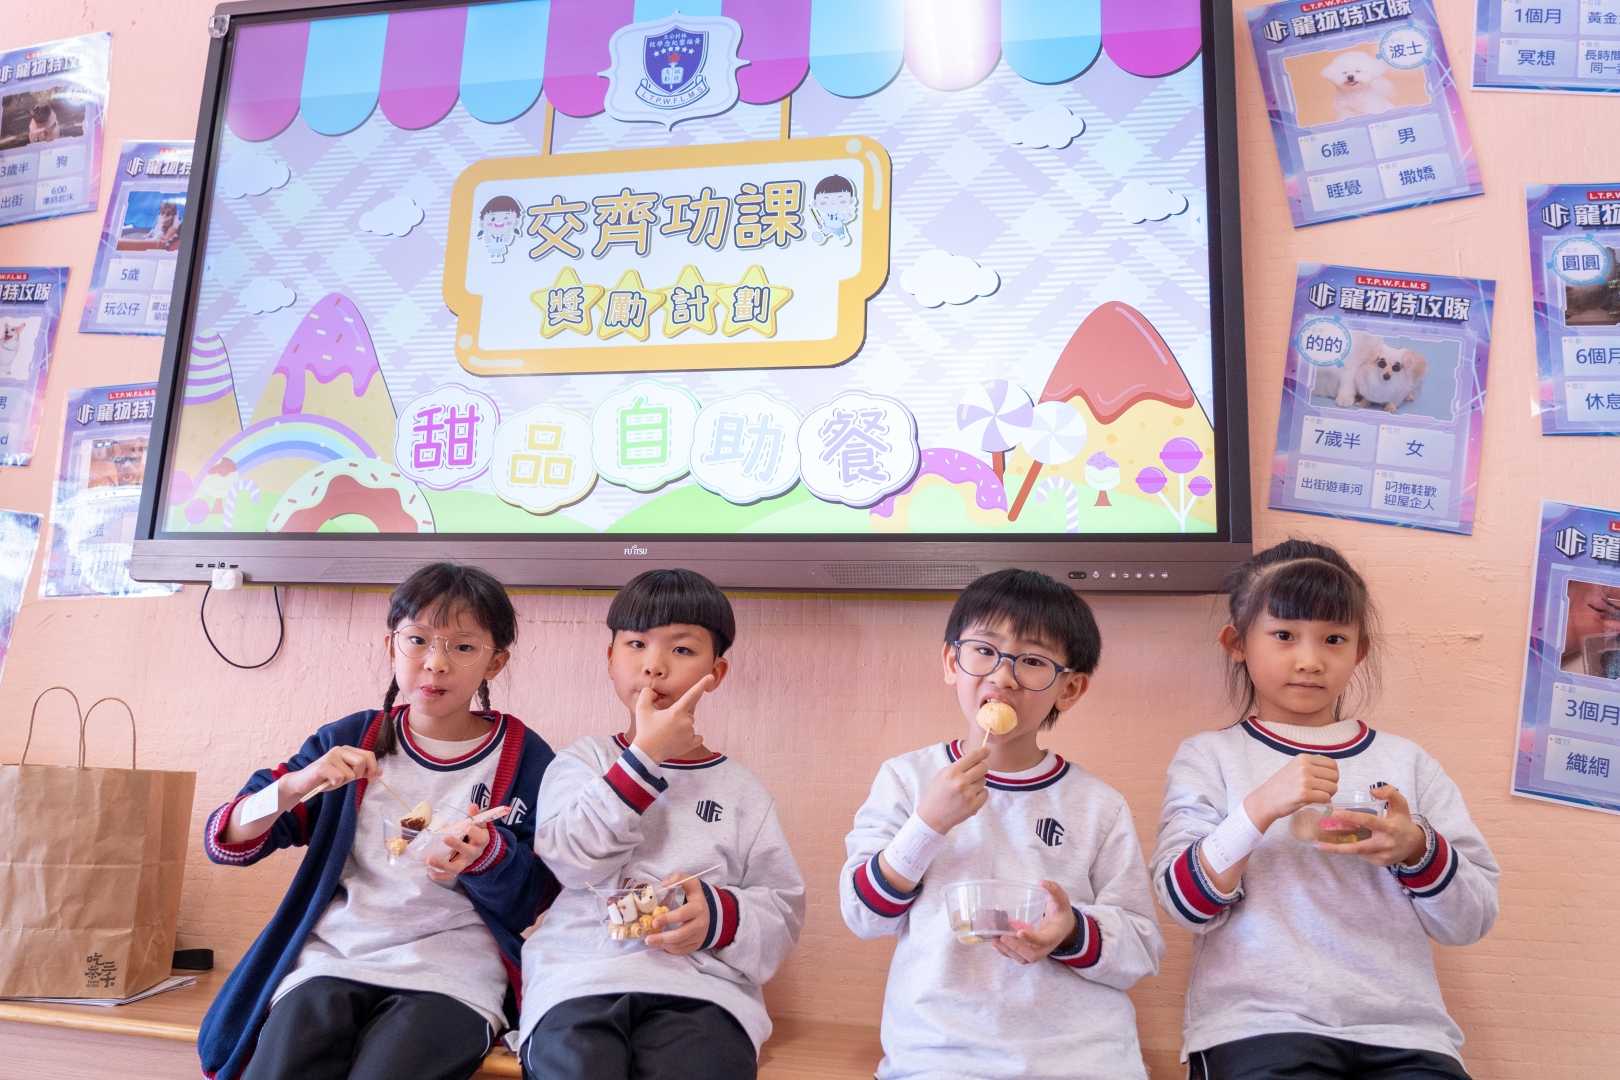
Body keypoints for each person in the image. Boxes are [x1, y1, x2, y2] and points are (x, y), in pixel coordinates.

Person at [1151, 539, 1499, 1080]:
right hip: (1258, 1026)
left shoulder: (1409, 763)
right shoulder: (1209, 757)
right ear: (1237, 643)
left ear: (1359, 651)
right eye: (1284, 636)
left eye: (1334, 639)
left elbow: (1471, 920)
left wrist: (1417, 849)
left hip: (1406, 1033)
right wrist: (1259, 808)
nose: (1310, 661)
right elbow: (1183, 905)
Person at [198, 563, 558, 1080]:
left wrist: (488, 858)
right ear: (391, 646)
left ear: (495, 662)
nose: (435, 663)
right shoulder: (350, 740)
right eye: (418, 640)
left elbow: (534, 899)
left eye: (462, 647)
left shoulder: (525, 758)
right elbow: (227, 841)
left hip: (453, 974)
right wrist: (297, 785)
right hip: (332, 960)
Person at [840, 568, 1165, 1079]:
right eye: (985, 651)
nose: (1004, 676)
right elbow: (863, 915)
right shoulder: (907, 780)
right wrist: (928, 824)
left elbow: (1142, 948)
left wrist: (1070, 931)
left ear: (1070, 688)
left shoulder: (1098, 806)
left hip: (1082, 1059)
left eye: (1032, 661)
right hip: (938, 1056)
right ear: (953, 661)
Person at [518, 568, 805, 1080]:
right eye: (636, 644)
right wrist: (644, 758)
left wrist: (719, 916)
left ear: (716, 672)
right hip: (579, 978)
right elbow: (569, 861)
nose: (654, 665)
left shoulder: (743, 792)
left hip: (701, 992)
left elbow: (782, 912)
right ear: (610, 659)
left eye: (682, 649)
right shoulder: (581, 762)